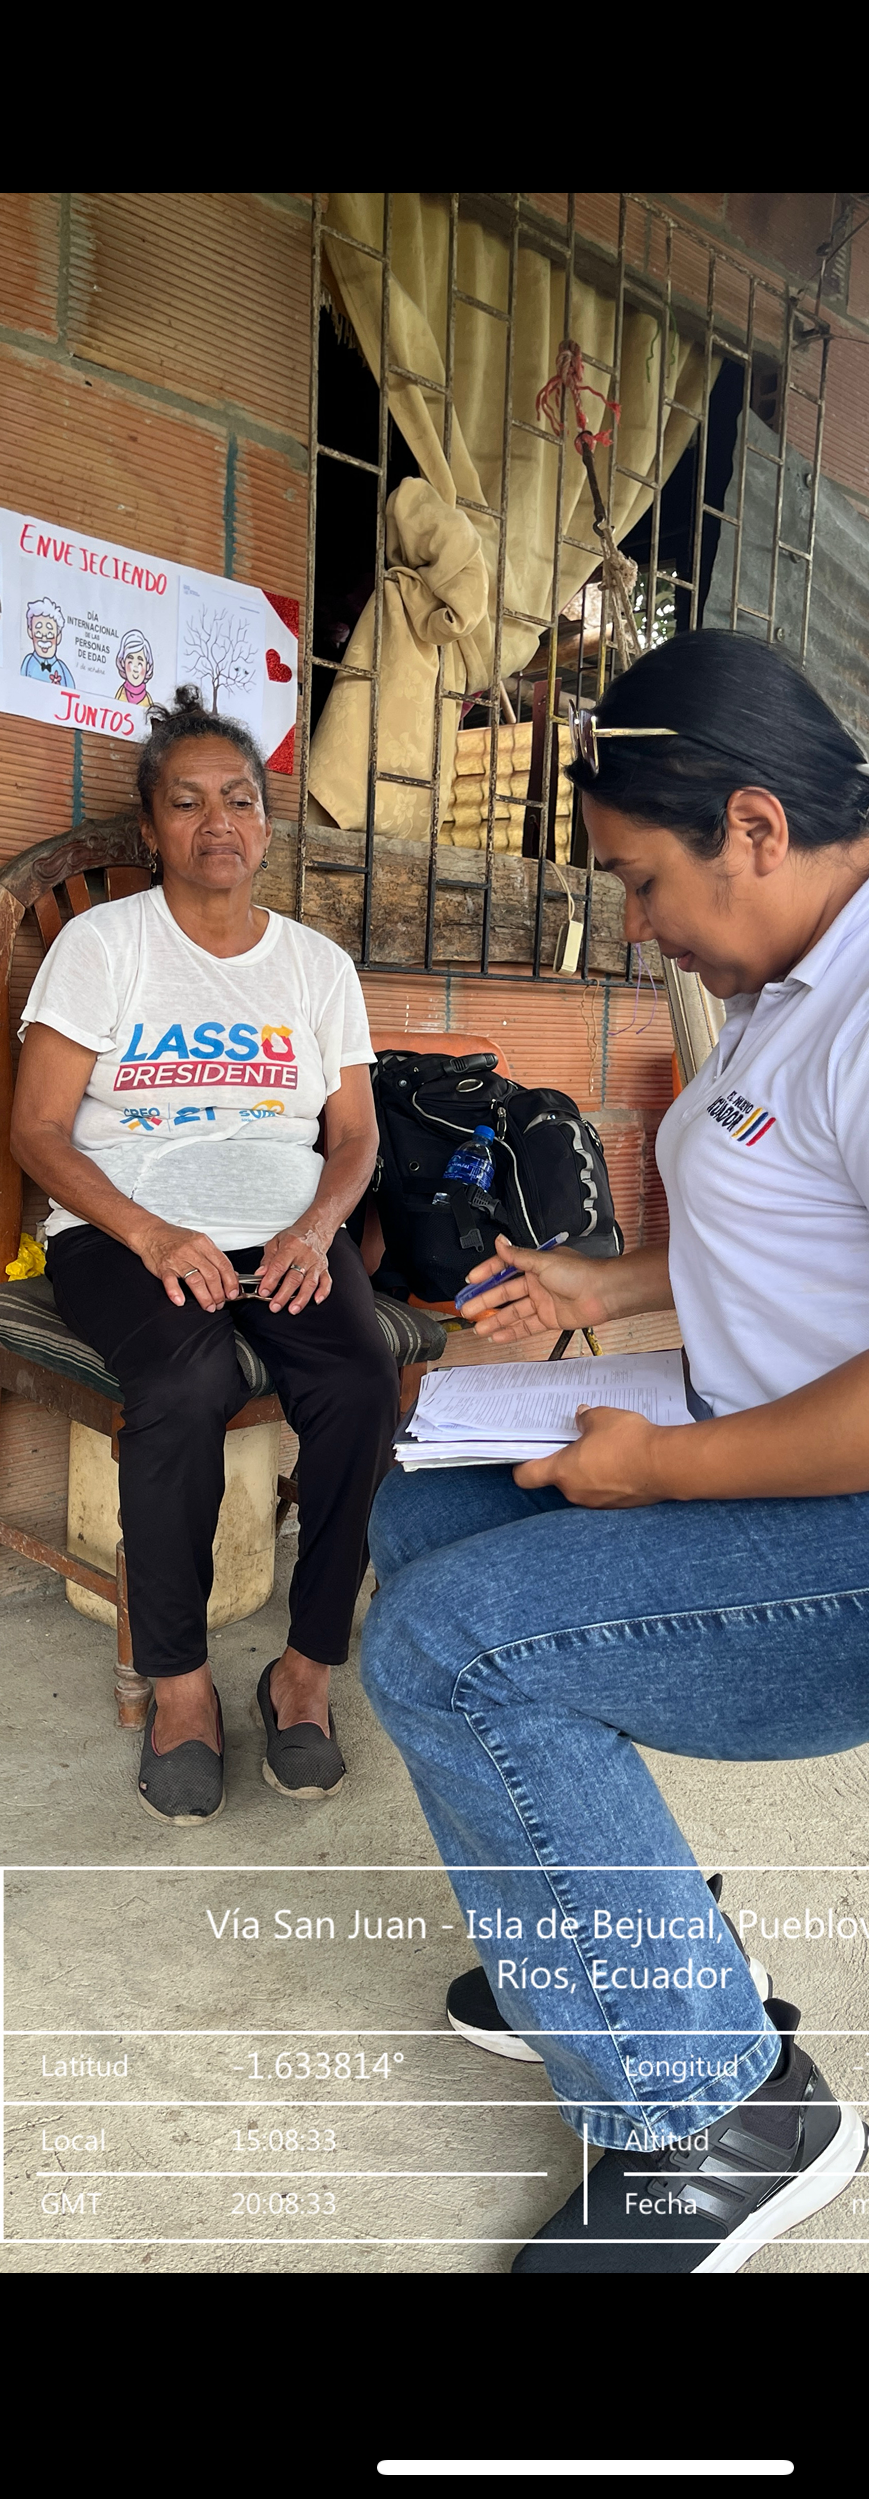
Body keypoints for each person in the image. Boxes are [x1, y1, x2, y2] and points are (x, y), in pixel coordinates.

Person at [359, 628, 869, 2274]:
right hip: (846, 1471)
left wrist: (655, 1469)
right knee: (425, 1526)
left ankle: (713, 2113)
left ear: (758, 828)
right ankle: (621, 1939)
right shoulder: (801, 975)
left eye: (643, 881)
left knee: (452, 1644)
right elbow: (824, 1230)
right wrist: (608, 1284)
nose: (636, 924)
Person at [12, 688, 396, 1825]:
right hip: (122, 1232)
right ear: (152, 828)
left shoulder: (316, 968)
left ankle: (304, 1670)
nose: (216, 821)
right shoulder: (101, 946)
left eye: (238, 799)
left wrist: (318, 1228)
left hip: (286, 1231)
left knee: (360, 1381)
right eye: (187, 802)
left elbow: (356, 1135)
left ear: (267, 826)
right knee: (182, 1384)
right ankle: (179, 1685)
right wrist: (147, 1229)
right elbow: (37, 1130)